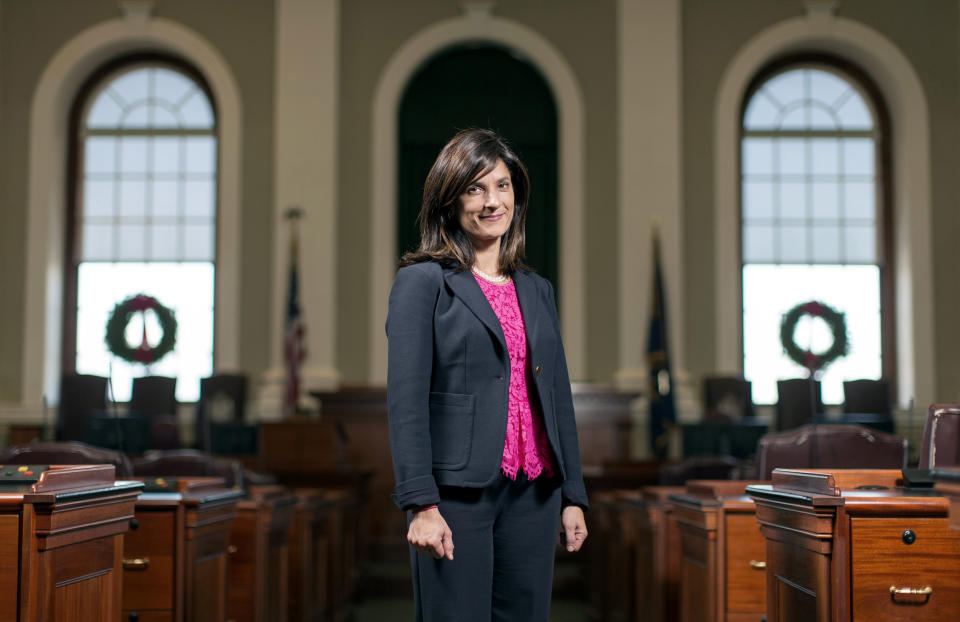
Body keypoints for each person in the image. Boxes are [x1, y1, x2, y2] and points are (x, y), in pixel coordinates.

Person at [386, 128, 588, 622]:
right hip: (456, 495)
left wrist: (571, 496)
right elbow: (406, 402)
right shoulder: (422, 283)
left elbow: (556, 398)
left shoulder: (536, 289)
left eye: (501, 186)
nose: (491, 201)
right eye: (475, 188)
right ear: (450, 200)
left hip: (534, 491)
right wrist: (420, 503)